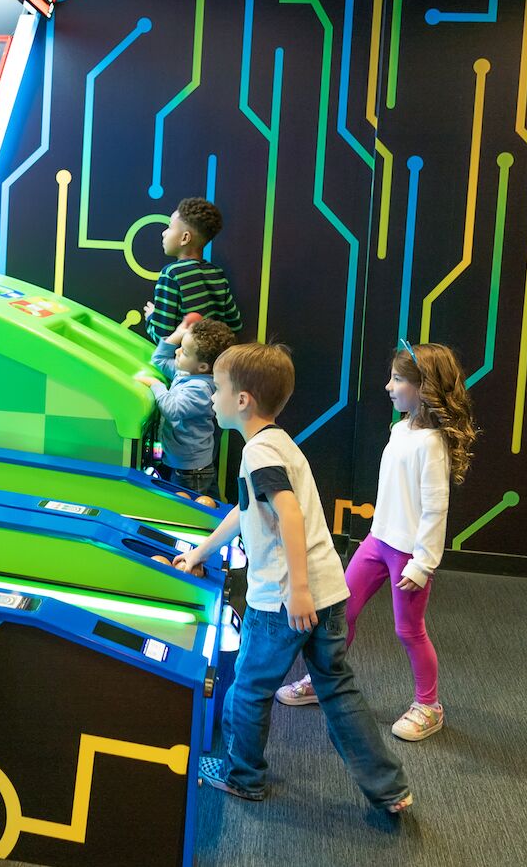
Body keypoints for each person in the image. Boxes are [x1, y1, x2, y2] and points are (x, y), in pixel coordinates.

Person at [175, 343, 411, 814]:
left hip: (285, 601)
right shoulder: (276, 444)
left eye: (218, 389)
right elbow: (247, 513)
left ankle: (244, 776)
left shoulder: (260, 453)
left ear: (242, 400)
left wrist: (296, 590)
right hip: (326, 592)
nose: (212, 398)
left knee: (248, 689)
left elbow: (288, 515)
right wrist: (200, 550)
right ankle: (390, 789)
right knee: (337, 689)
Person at [275, 341, 477, 745]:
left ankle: (429, 705)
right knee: (340, 612)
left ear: (425, 387)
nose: (388, 386)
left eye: (398, 379)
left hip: (408, 554)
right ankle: (321, 680)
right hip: (377, 541)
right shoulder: (400, 429)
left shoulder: (432, 446)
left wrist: (422, 564)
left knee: (408, 630)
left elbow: (436, 511)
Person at [135, 315, 235, 498]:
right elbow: (159, 360)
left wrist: (155, 385)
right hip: (185, 463)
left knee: (192, 509)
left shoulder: (201, 388)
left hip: (190, 470)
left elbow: (173, 409)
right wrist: (178, 334)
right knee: (207, 500)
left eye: (185, 352)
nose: (177, 352)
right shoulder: (187, 372)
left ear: (203, 367)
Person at [145, 197, 242, 342]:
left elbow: (162, 337)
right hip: (211, 360)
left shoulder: (171, 275)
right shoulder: (217, 273)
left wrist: (151, 317)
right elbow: (235, 325)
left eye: (170, 227)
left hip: (183, 361)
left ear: (185, 238)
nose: (164, 233)